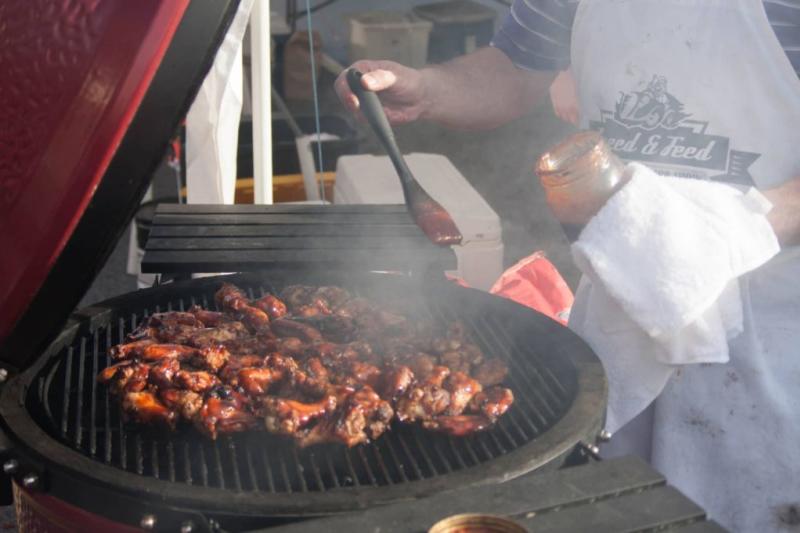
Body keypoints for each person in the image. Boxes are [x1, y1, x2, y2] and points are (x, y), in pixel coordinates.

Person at [334, 1, 800, 531]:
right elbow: (514, 66)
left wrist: (740, 227)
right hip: (615, 330)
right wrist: (428, 88)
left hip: (771, 342)